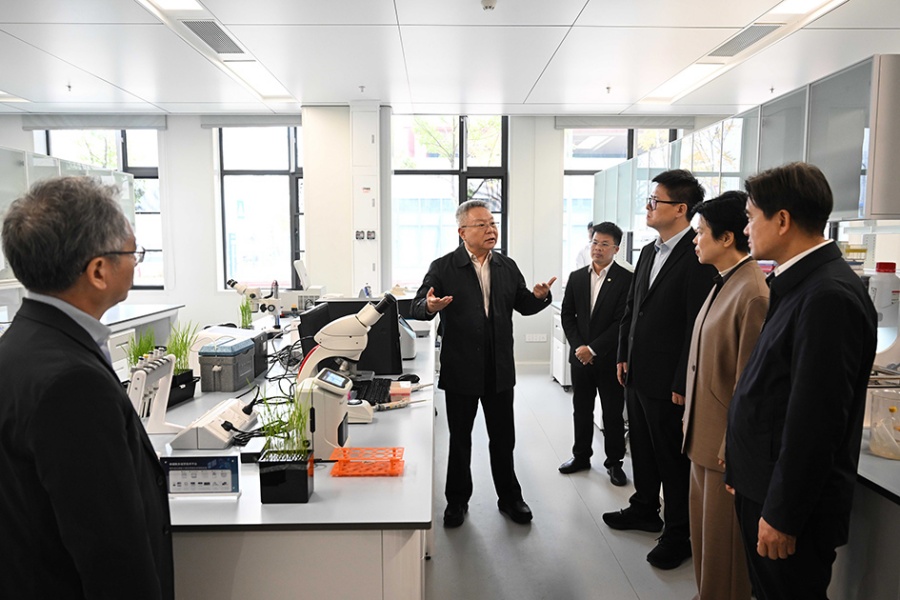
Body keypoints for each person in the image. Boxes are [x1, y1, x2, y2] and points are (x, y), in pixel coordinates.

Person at [0, 177, 174, 599]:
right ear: (98, 271)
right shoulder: (72, 384)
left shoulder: (19, 346)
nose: (136, 264)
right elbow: (110, 552)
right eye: (132, 253)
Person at [725, 162, 877, 599]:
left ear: (783, 220)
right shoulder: (799, 283)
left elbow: (816, 422)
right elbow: (773, 390)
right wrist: (743, 467)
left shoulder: (827, 295)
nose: (746, 228)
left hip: (788, 508)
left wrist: (782, 514)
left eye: (751, 217)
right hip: (764, 486)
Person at [411, 199, 556, 528]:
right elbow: (418, 306)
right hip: (461, 368)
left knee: (503, 439)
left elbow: (523, 305)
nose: (491, 229)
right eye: (482, 225)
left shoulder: (506, 266)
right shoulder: (444, 267)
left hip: (499, 368)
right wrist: (430, 306)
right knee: (460, 440)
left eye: (493, 223)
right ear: (462, 232)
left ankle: (510, 498)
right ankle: (457, 501)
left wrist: (539, 297)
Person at [602, 169, 717, 570]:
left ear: (681, 208)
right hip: (637, 371)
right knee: (642, 449)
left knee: (672, 458)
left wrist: (682, 379)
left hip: (669, 381)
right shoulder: (650, 251)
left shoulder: (698, 254)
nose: (648, 207)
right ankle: (644, 507)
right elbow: (633, 308)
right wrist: (623, 353)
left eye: (655, 201)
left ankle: (679, 533)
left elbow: (695, 324)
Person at [680, 191, 769, 600]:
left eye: (700, 232)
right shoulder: (724, 282)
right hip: (702, 439)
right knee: (706, 545)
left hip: (723, 448)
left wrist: (730, 445)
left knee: (725, 555)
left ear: (727, 237)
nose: (695, 240)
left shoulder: (752, 292)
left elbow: (748, 383)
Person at [558, 222, 632, 486]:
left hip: (610, 359)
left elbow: (621, 321)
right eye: (595, 242)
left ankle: (614, 462)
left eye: (604, 244)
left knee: (612, 413)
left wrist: (593, 349)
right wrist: (580, 347)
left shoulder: (626, 279)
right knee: (581, 409)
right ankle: (581, 456)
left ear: (616, 249)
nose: (597, 248)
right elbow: (568, 315)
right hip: (580, 359)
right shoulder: (577, 276)